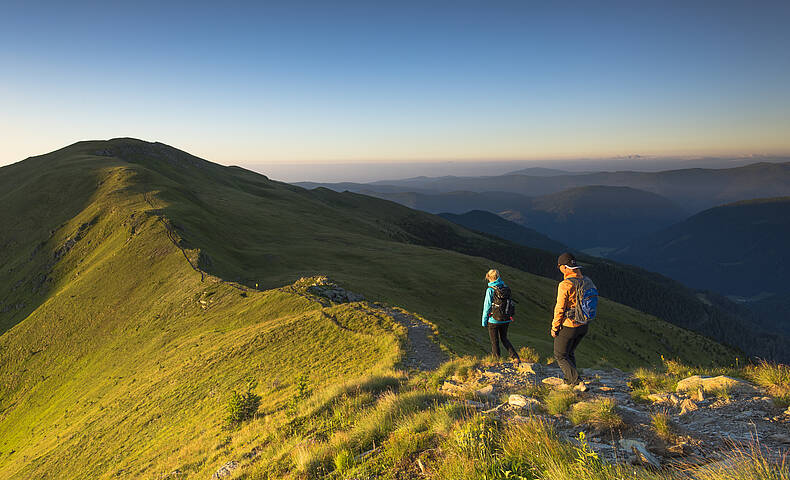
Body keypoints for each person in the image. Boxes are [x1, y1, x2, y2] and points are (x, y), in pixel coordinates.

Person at [551, 253, 591, 390]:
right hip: (584, 324)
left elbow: (560, 308)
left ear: (564, 267)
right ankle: (568, 382)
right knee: (569, 353)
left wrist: (555, 327)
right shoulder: (586, 281)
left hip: (569, 325)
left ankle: (577, 382)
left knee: (560, 355)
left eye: (560, 266)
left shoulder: (565, 284)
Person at [482, 269, 520, 364]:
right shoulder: (505, 287)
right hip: (505, 319)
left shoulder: (490, 290)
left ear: (489, 278)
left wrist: (484, 321)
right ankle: (515, 357)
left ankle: (496, 360)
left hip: (493, 320)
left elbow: (487, 307)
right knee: (504, 338)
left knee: (494, 341)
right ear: (498, 277)